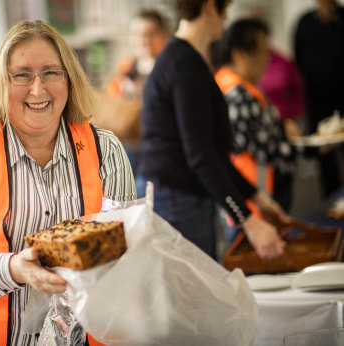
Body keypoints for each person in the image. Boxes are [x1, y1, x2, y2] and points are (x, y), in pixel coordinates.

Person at [0, 20, 135, 345]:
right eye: (22, 75)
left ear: (69, 79)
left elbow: (124, 246)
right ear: (0, 83)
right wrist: (13, 268)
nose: (38, 89)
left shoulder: (105, 149)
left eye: (51, 72)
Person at [136, 0, 290, 261]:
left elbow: (214, 153)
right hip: (175, 200)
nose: (226, 18)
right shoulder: (183, 63)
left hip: (177, 196)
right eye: (224, 10)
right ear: (209, 7)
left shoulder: (187, 60)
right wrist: (249, 221)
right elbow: (202, 158)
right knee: (195, 297)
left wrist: (259, 200)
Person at [212, 18, 297, 219]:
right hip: (254, 196)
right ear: (239, 54)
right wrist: (309, 148)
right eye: (261, 52)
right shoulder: (239, 94)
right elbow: (264, 149)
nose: (267, 59)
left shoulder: (225, 82)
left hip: (244, 193)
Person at [105, 8, 171, 173]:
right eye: (137, 34)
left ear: (164, 35)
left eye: (150, 33)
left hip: (161, 154)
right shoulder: (124, 71)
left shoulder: (170, 72)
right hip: (126, 153)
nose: (143, 40)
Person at [294, 0, 344, 197]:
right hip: (318, 101)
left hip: (342, 97)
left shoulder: (341, 18)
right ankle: (332, 204)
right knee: (326, 158)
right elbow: (299, 62)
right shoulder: (305, 23)